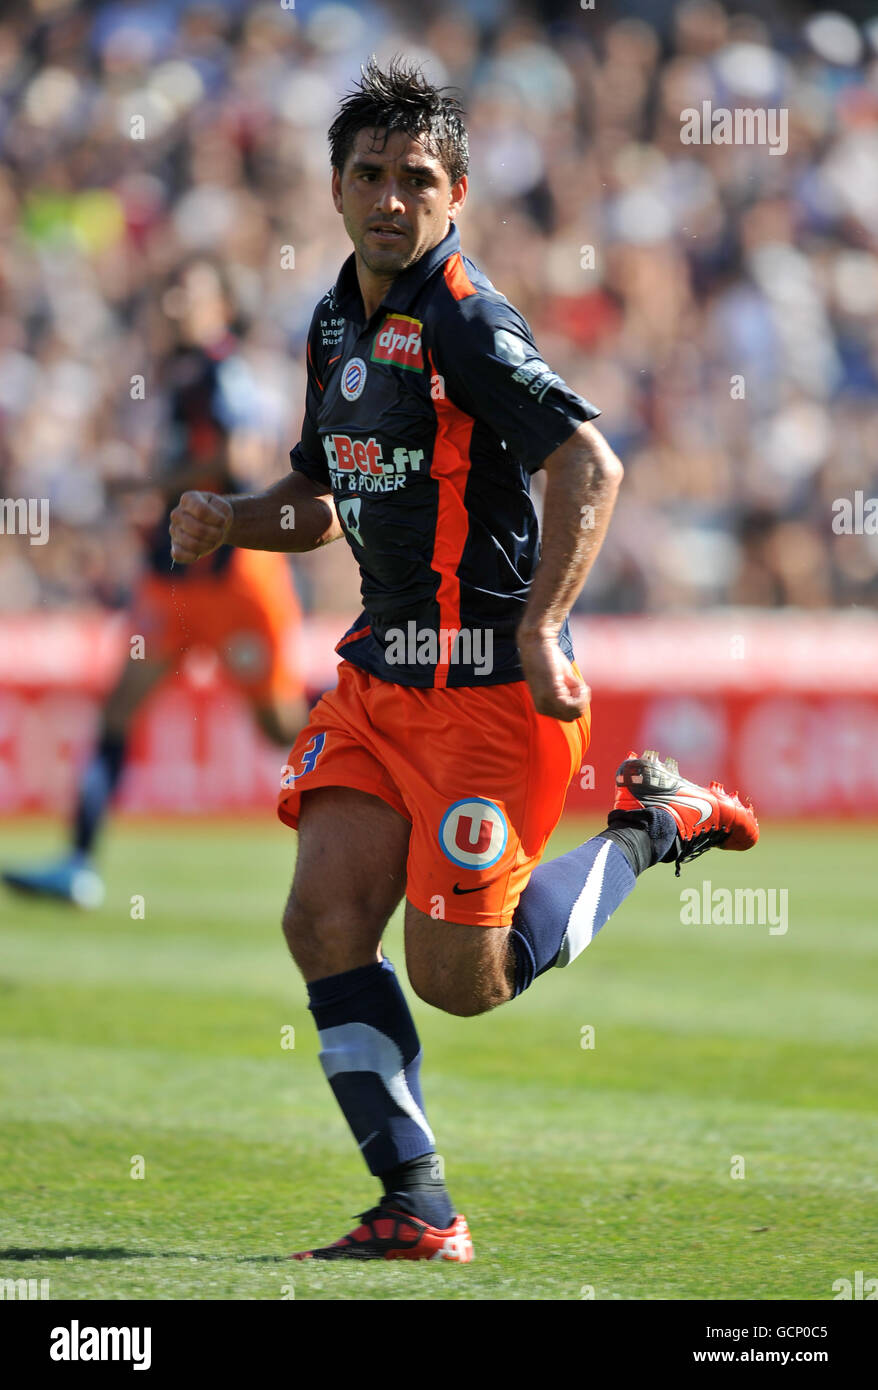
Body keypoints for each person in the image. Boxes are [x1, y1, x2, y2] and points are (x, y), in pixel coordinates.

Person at [168, 59, 758, 1263]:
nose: (393, 198)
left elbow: (588, 464)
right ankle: (418, 1204)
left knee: (461, 981)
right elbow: (323, 501)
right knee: (322, 919)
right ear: (335, 188)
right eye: (371, 175)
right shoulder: (336, 316)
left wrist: (541, 627)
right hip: (382, 681)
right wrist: (234, 516)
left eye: (418, 179)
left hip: (491, 693)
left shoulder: (470, 321)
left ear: (459, 192)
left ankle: (653, 828)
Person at [3, 257, 307, 908]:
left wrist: (147, 486)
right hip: (175, 582)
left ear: (222, 306)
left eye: (188, 294)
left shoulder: (224, 371)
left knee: (280, 724)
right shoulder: (182, 373)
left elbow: (240, 456)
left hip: (235, 580)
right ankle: (78, 863)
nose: (173, 304)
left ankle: (388, 769)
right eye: (170, 291)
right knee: (119, 708)